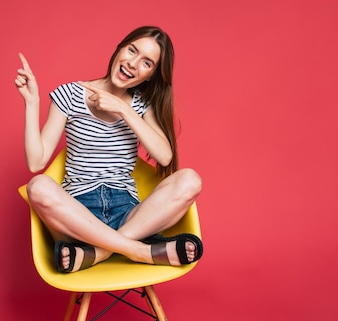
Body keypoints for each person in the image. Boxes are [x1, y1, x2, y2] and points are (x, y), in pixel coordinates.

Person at [14, 26, 203, 273]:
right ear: (119, 49)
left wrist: (124, 109)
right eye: (132, 50)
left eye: (146, 63)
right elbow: (35, 163)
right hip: (78, 216)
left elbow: (165, 156)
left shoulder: (140, 105)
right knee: (38, 186)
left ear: (150, 76)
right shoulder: (69, 94)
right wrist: (32, 102)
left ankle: (99, 252)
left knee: (190, 179)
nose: (133, 64)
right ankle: (139, 251)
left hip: (129, 215)